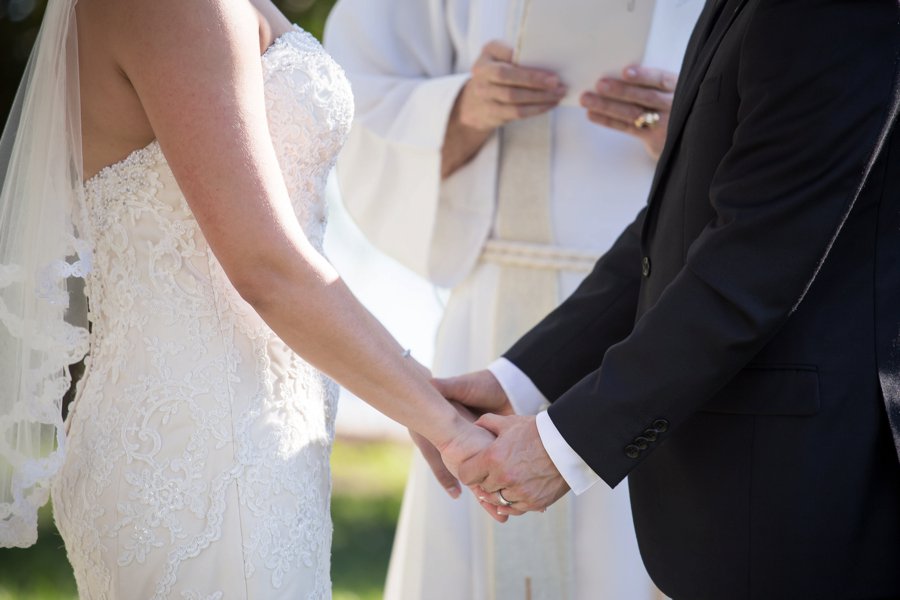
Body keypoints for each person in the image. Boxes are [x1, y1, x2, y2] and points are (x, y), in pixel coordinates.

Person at [0, 0, 495, 597]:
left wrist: (403, 385)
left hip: (253, 430)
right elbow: (265, 265)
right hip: (197, 449)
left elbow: (288, 238)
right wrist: (443, 422)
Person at [436, 0, 900, 598]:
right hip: (734, 504)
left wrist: (565, 444)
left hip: (805, 496)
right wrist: (519, 377)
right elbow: (682, 222)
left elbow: (753, 258)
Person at [324, 1, 703, 598]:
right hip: (496, 317)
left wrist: (692, 136)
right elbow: (349, 95)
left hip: (669, 306)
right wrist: (463, 111)